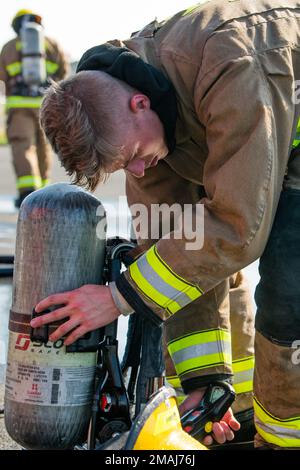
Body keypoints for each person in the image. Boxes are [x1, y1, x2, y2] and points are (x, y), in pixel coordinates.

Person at [30, 0, 300, 449]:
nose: (137, 173)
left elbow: (238, 228)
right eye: (124, 168)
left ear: (140, 103)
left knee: (288, 292)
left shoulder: (230, 64)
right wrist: (205, 381)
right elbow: (178, 247)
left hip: (288, 135)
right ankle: (244, 411)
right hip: (258, 132)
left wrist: (119, 297)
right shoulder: (140, 124)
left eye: (133, 157)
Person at [0, 9, 69, 208]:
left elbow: (2, 76)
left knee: (23, 146)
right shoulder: (51, 44)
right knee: (43, 147)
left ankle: (27, 192)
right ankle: (43, 192)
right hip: (46, 105)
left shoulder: (9, 47)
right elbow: (63, 71)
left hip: (19, 106)